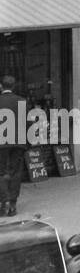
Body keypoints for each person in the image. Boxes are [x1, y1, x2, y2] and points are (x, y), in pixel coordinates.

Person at [0, 75, 25, 217]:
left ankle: (4, 202)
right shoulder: (22, 101)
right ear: (14, 86)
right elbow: (27, 124)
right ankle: (13, 204)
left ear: (1, 86)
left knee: (1, 172)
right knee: (16, 172)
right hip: (18, 142)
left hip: (1, 142)